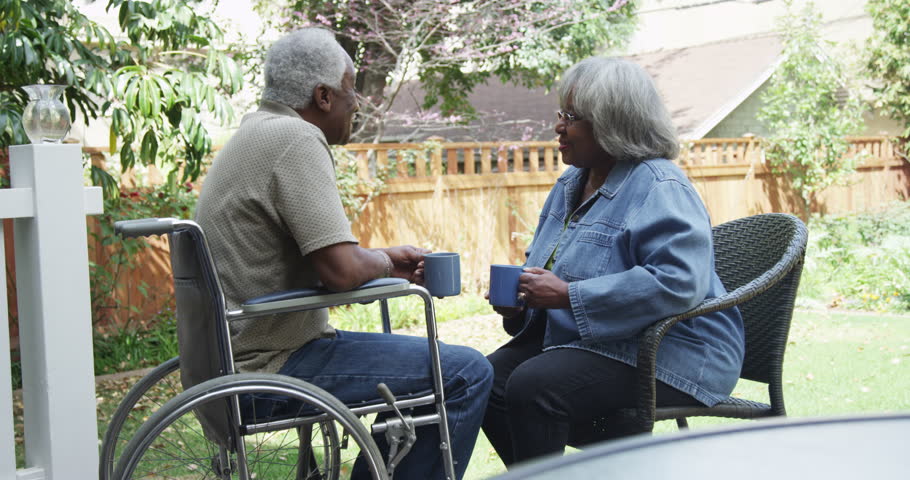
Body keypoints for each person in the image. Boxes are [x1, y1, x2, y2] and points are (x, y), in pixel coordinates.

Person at [194, 28, 492, 479]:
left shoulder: (256, 131)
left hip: (231, 358)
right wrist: (390, 264)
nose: (359, 101)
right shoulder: (296, 138)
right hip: (270, 366)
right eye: (352, 88)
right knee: (466, 372)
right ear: (324, 96)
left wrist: (382, 259)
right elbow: (340, 270)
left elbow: (334, 261)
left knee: (428, 372)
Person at [481, 57, 746, 467]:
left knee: (535, 387)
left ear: (611, 122)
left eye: (572, 117)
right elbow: (548, 269)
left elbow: (679, 283)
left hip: (679, 348)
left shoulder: (660, 185)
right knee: (483, 380)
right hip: (598, 342)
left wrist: (568, 296)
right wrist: (522, 305)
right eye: (560, 113)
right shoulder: (571, 184)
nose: (558, 126)